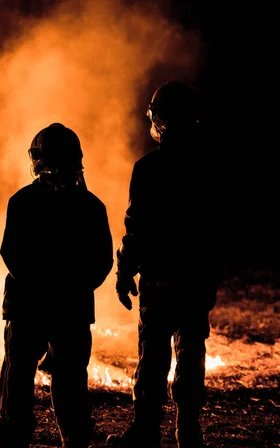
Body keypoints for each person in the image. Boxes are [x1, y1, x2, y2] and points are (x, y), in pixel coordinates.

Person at [106, 81, 221, 448]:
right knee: (191, 350)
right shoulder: (208, 166)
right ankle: (189, 431)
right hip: (196, 278)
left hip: (159, 280)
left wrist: (125, 271)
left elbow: (136, 226)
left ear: (161, 119)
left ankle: (146, 431)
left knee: (153, 356)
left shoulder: (149, 168)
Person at [0, 123, 114, 448]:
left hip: (25, 306)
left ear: (37, 159)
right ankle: (75, 441)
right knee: (71, 380)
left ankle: (12, 441)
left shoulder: (22, 202)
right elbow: (102, 260)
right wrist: (73, 288)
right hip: (72, 309)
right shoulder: (91, 205)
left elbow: (10, 253)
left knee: (17, 380)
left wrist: (37, 287)